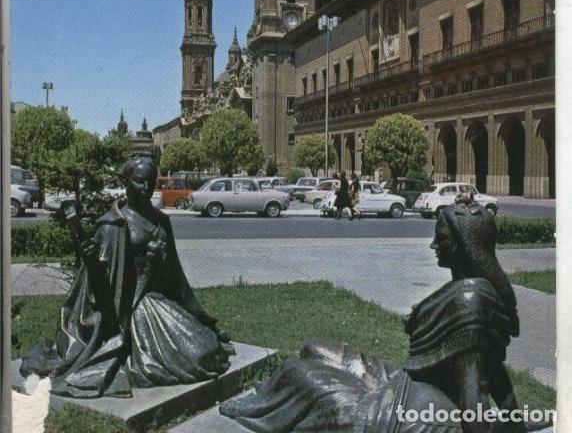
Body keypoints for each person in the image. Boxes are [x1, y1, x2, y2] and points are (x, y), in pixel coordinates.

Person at [220, 194, 525, 433]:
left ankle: (264, 404)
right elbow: (494, 369)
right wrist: (514, 421)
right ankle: (273, 396)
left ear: (461, 246)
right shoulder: (469, 290)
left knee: (296, 372)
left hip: (411, 409)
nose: (433, 245)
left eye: (441, 238)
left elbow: (477, 387)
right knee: (313, 348)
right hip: (406, 382)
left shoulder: (471, 301)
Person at [21, 157, 233, 398]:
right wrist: (92, 264)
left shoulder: (162, 221)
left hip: (154, 300)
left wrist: (203, 319)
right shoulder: (111, 225)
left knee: (208, 351)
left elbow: (176, 281)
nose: (145, 189)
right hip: (129, 309)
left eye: (150, 183)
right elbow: (99, 293)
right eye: (139, 181)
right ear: (126, 182)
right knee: (193, 359)